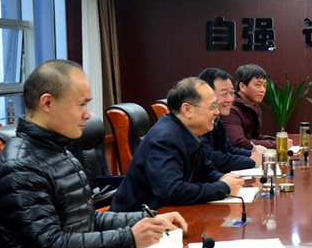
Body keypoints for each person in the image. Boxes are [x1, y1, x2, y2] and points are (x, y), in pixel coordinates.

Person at [0, 60, 186, 248]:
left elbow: (86, 220)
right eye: (81, 104)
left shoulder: (60, 152)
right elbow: (50, 245)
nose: (87, 114)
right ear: (47, 103)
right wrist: (129, 238)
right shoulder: (19, 166)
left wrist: (149, 219)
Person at [111, 77, 245, 212]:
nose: (217, 112)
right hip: (138, 218)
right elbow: (172, 192)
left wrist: (222, 178)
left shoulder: (190, 131)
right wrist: (223, 187)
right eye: (212, 107)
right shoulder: (165, 139)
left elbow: (204, 170)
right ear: (187, 110)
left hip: (168, 213)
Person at [198, 67, 264, 172]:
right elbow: (210, 158)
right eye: (224, 94)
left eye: (232, 93)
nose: (230, 99)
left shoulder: (216, 120)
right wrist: (251, 161)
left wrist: (256, 154)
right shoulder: (197, 122)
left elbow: (228, 149)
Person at [225, 64, 277, 150]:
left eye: (264, 85)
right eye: (258, 85)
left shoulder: (254, 106)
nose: (263, 90)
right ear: (242, 87)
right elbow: (239, 143)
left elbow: (256, 137)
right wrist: (277, 144)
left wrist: (279, 141)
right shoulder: (231, 109)